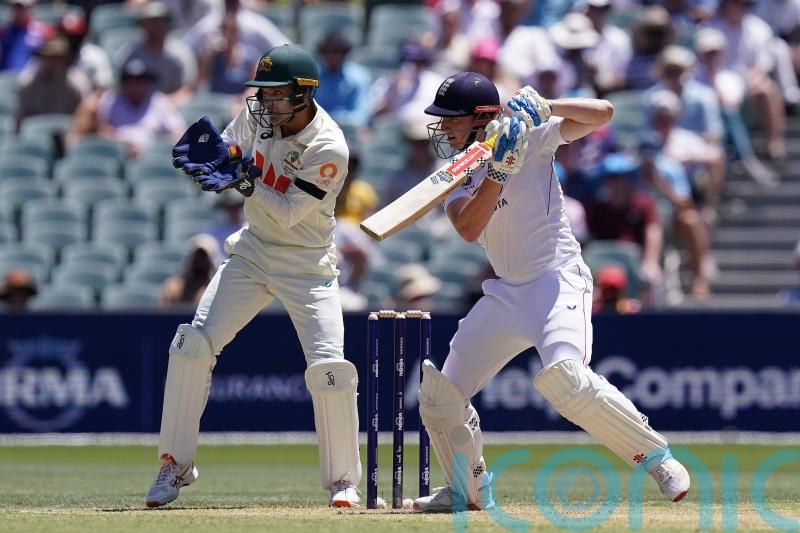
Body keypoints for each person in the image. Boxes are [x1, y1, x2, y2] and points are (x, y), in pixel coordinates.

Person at [411, 72, 690, 513]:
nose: (443, 129)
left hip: (555, 281)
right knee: (440, 396)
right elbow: (468, 228)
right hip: (505, 294)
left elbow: (604, 114)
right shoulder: (455, 173)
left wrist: (547, 105)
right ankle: (466, 491)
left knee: (566, 379)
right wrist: (497, 172)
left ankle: (657, 458)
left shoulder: (532, 137)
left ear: (481, 118)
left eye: (451, 120)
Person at [145, 44, 361, 509]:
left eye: (276, 94)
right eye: (262, 93)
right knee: (192, 346)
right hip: (253, 252)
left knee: (330, 370)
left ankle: (343, 480)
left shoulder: (328, 146)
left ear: (303, 94)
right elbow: (230, 146)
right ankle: (175, 463)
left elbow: (287, 213)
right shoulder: (261, 114)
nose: (266, 102)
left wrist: (244, 182)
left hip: (307, 265)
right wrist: (222, 157)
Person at [159, 234, 223, 307]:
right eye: (198, 255)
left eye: (204, 256)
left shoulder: (217, 291)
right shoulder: (172, 288)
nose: (200, 259)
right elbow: (162, 311)